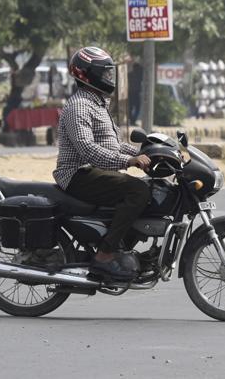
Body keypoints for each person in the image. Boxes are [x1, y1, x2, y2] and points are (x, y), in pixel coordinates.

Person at [54, 46, 152, 281]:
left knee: (154, 189)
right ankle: (105, 255)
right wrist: (129, 161)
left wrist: (148, 153)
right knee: (138, 190)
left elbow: (113, 145)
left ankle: (121, 247)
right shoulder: (78, 106)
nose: (110, 78)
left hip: (96, 170)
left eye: (110, 73)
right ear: (89, 75)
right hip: (78, 174)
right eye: (105, 73)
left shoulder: (97, 104)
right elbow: (88, 150)